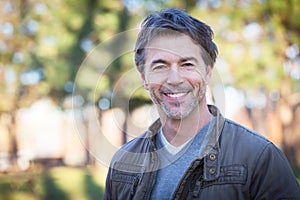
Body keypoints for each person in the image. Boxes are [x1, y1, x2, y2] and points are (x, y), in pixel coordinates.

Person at [103, 8, 300, 200]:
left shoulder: (260, 158)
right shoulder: (123, 163)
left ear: (207, 72)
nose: (174, 79)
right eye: (160, 66)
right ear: (144, 77)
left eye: (187, 64)